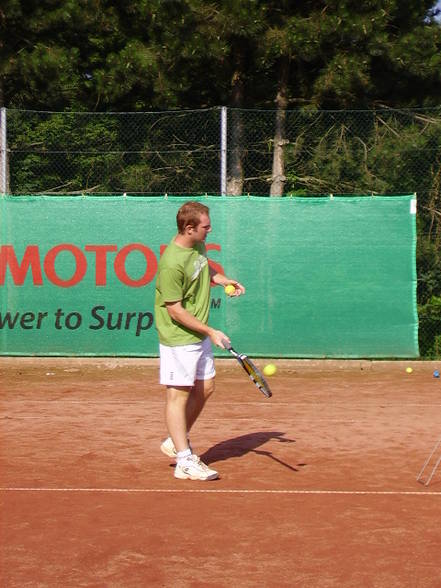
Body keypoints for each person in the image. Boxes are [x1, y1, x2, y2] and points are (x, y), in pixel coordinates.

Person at [154, 201, 245, 481]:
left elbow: (205, 269)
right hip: (179, 336)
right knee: (178, 395)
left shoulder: (197, 246)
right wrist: (210, 331)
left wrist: (226, 280)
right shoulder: (172, 263)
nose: (210, 230)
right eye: (206, 226)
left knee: (205, 388)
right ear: (189, 228)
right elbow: (175, 310)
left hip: (197, 333)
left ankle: (175, 439)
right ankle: (184, 460)